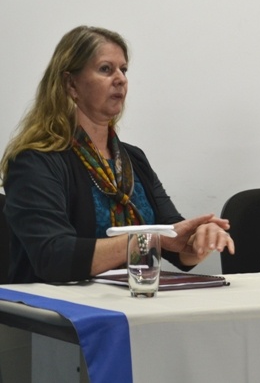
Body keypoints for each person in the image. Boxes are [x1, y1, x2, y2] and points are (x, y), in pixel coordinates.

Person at [0, 26, 235, 283]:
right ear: (70, 84)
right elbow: (54, 257)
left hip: (132, 300)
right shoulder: (35, 161)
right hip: (56, 313)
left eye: (123, 69)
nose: (120, 79)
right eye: (105, 69)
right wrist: (147, 241)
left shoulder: (132, 159)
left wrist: (198, 239)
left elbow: (174, 241)